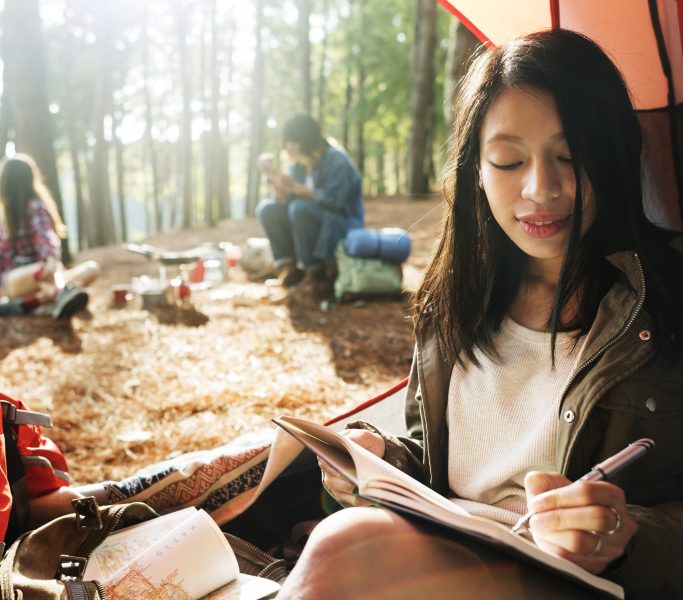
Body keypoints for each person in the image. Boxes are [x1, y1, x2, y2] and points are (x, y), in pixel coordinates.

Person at [277, 29, 683, 599]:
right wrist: (379, 461)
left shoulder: (665, 303)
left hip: (572, 583)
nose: (541, 188)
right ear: (476, 169)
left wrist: (626, 537)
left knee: (343, 546)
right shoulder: (452, 300)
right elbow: (431, 465)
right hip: (433, 553)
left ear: (613, 154)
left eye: (572, 155)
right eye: (509, 160)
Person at [256, 114, 364, 290]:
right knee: (268, 209)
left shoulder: (336, 159)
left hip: (340, 223)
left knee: (300, 209)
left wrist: (303, 191)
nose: (289, 147)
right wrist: (275, 181)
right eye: (287, 142)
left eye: (294, 142)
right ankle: (292, 269)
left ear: (308, 140)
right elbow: (286, 203)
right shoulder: (298, 165)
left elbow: (337, 201)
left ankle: (314, 272)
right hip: (307, 218)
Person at [0, 154, 99, 319]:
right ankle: (59, 295)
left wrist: (51, 260)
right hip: (19, 279)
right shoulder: (3, 216)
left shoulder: (35, 206)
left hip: (48, 275)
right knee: (42, 271)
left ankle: (42, 298)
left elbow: (45, 234)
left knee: (92, 268)